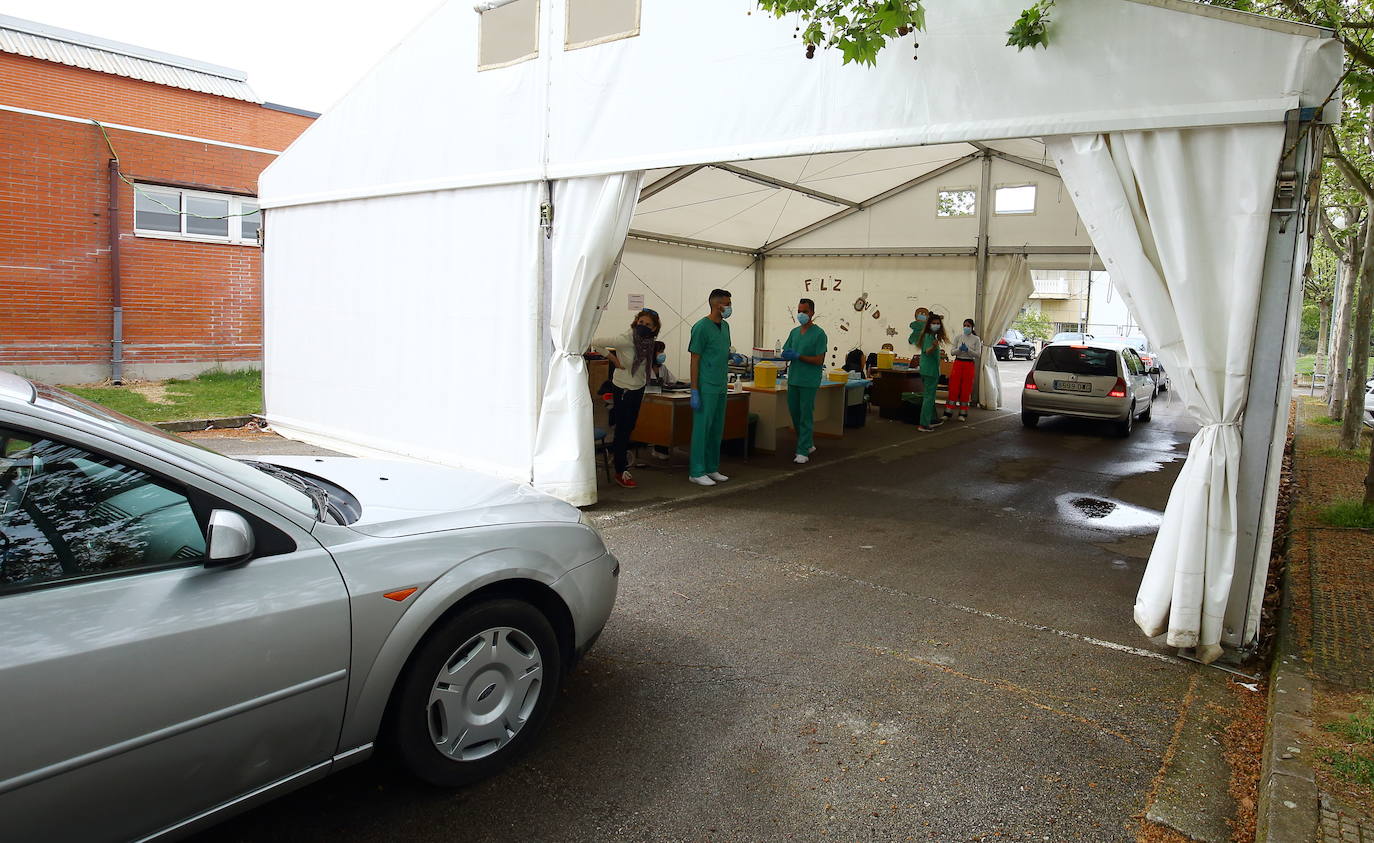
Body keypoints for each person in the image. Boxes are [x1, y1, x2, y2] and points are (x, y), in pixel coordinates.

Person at [589, 309, 661, 488]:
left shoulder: (649, 342)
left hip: (638, 388)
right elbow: (594, 342)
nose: (643, 326)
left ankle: (618, 455)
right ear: (636, 321)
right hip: (623, 387)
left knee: (629, 427)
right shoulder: (624, 339)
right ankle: (620, 471)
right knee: (622, 429)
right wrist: (613, 359)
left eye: (648, 325)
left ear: (654, 328)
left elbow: (645, 364)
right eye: (641, 322)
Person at [688, 289, 733, 486]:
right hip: (706, 386)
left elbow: (722, 351)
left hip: (721, 384)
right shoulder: (701, 327)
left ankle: (711, 467)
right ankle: (696, 470)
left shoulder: (725, 326)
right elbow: (694, 360)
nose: (730, 307)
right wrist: (695, 389)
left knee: (716, 429)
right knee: (702, 430)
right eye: (728, 303)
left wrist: (730, 355)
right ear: (717, 305)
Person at [780, 298, 828, 464]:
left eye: (805, 311)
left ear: (812, 313)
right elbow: (785, 349)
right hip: (794, 379)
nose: (801, 314)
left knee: (805, 415)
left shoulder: (819, 334)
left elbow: (819, 360)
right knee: (795, 414)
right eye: (799, 311)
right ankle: (807, 443)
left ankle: (802, 451)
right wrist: (785, 354)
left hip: (809, 380)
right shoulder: (794, 332)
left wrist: (799, 356)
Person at [943, 318, 983, 422]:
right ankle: (948, 412)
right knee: (954, 387)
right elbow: (952, 352)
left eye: (968, 326)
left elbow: (978, 354)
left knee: (966, 388)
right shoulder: (958, 337)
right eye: (964, 325)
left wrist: (968, 350)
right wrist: (959, 349)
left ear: (972, 327)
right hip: (958, 363)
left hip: (969, 364)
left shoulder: (976, 339)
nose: (966, 328)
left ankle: (963, 413)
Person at [914, 311, 948, 432]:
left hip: (928, 369)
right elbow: (927, 351)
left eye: (938, 323)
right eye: (934, 323)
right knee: (929, 397)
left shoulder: (930, 336)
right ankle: (924, 424)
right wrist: (934, 347)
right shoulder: (929, 336)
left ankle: (932, 418)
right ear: (929, 324)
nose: (936, 325)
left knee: (930, 396)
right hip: (930, 371)